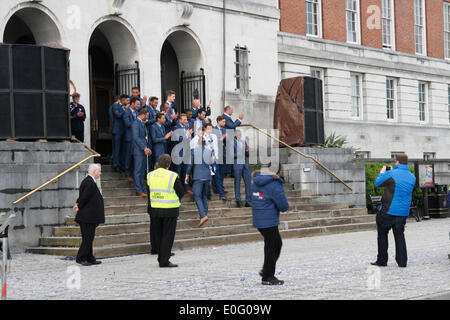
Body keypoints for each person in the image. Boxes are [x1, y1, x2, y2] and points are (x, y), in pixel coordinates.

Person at [371, 153, 416, 268]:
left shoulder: (391, 174)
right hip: (403, 212)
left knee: (382, 234)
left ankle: (382, 260)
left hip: (388, 210)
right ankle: (402, 262)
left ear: (397, 162)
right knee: (399, 235)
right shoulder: (412, 177)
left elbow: (377, 183)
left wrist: (382, 172)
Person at [251, 169, 289, 285]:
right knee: (272, 246)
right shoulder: (274, 184)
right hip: (269, 220)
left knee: (275, 244)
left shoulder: (255, 181)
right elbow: (283, 206)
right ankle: (268, 276)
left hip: (259, 218)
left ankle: (266, 271)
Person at [147, 154, 184, 268]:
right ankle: (164, 260)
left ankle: (160, 255)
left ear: (158, 163)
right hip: (169, 209)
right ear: (169, 164)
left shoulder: (150, 175)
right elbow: (181, 191)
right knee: (168, 235)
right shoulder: (172, 175)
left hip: (155, 208)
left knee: (158, 234)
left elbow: (148, 191)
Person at [73, 164, 105, 266]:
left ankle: (90, 257)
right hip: (87, 217)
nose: (100, 173)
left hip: (89, 216)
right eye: (99, 171)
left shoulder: (89, 181)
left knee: (89, 238)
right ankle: (81, 257)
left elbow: (83, 196)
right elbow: (84, 197)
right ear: (94, 171)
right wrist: (79, 205)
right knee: (87, 238)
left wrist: (78, 203)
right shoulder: (89, 182)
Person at [186, 133, 213, 227]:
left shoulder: (194, 151)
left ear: (197, 143)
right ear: (205, 144)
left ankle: (203, 216)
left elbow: (190, 165)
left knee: (197, 196)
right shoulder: (209, 151)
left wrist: (187, 175)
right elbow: (212, 164)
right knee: (204, 195)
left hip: (198, 176)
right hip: (207, 176)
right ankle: (205, 214)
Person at [132, 108, 152, 197]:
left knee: (142, 170)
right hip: (138, 150)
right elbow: (136, 137)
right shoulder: (136, 123)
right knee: (138, 170)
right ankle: (138, 189)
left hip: (143, 150)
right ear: (143, 115)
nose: (147, 118)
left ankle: (142, 188)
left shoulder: (141, 123)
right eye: (147, 116)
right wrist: (144, 148)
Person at [172, 113, 193, 194]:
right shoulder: (175, 128)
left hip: (186, 152)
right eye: (184, 119)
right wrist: (187, 135)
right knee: (178, 172)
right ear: (179, 120)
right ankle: (178, 189)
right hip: (178, 153)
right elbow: (178, 139)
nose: (186, 121)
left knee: (185, 171)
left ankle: (186, 187)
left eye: (186, 119)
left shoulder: (186, 127)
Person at [204, 123, 226, 201]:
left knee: (217, 177)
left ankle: (222, 195)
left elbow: (216, 147)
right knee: (207, 178)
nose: (210, 130)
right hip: (206, 160)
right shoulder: (203, 137)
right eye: (208, 128)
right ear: (205, 129)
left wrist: (216, 158)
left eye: (211, 128)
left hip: (214, 160)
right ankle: (208, 195)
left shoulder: (214, 136)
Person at [122, 97, 141, 181]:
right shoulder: (126, 112)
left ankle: (133, 174)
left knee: (135, 156)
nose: (138, 106)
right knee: (128, 156)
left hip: (136, 138)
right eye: (137, 104)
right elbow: (127, 124)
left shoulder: (137, 112)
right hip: (129, 138)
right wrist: (137, 121)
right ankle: (127, 174)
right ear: (132, 103)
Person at [223, 105, 244, 178]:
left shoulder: (227, 117)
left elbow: (232, 125)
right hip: (228, 139)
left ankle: (231, 172)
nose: (233, 111)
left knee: (231, 156)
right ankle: (228, 173)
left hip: (231, 138)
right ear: (228, 110)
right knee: (230, 156)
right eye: (232, 110)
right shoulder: (225, 117)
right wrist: (239, 119)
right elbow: (232, 126)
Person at [233, 130, 252, 207]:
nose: (239, 136)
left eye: (240, 134)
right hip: (237, 164)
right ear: (235, 135)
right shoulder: (231, 143)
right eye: (238, 134)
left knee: (248, 183)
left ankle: (248, 201)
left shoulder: (244, 142)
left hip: (245, 164)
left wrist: (247, 151)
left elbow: (247, 153)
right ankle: (238, 200)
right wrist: (240, 152)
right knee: (237, 182)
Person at [111, 94, 128, 173]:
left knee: (123, 149)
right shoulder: (116, 105)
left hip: (124, 131)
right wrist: (124, 109)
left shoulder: (126, 107)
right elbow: (117, 115)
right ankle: (116, 165)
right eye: (126, 100)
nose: (127, 102)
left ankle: (122, 165)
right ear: (122, 100)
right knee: (117, 149)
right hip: (117, 130)